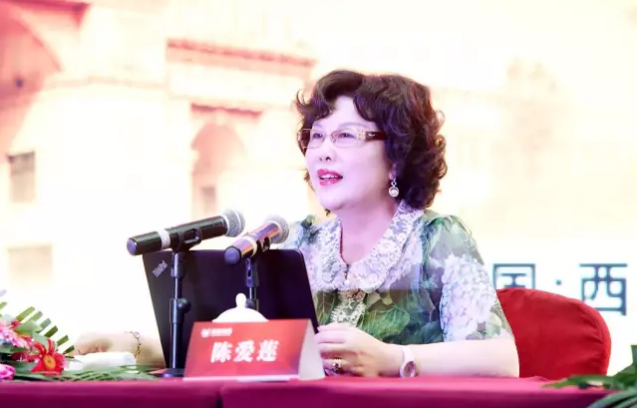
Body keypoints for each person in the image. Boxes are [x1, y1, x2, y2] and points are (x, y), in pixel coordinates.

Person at [74, 69, 519, 378]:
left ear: (397, 155)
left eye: (345, 136)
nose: (322, 151)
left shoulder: (437, 240)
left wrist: (392, 358)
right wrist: (132, 345)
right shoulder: (301, 242)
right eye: (316, 136)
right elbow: (239, 344)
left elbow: (501, 359)